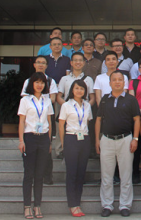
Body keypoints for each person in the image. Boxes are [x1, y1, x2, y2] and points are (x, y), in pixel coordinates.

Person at [96, 71, 141, 217]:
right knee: (106, 175)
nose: (117, 82)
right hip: (107, 139)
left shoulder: (131, 99)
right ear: (109, 83)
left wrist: (135, 139)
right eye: (114, 80)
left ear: (124, 82)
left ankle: (125, 205)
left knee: (126, 175)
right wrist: (97, 140)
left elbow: (137, 120)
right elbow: (98, 120)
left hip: (125, 139)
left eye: (120, 80)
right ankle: (107, 205)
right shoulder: (104, 99)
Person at [18, 72, 54, 220]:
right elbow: (21, 121)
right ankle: (27, 206)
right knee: (29, 174)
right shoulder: (25, 100)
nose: (40, 85)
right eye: (37, 82)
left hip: (43, 138)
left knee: (40, 174)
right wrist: (21, 141)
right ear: (31, 84)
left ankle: (37, 205)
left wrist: (49, 141)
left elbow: (49, 122)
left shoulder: (47, 100)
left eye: (42, 82)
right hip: (30, 137)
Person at [58, 79, 94, 217]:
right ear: (72, 90)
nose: (79, 91)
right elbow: (61, 125)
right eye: (77, 88)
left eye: (82, 89)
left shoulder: (87, 105)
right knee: (72, 173)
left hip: (84, 139)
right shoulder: (66, 105)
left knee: (81, 173)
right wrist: (63, 143)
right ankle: (72, 204)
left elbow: (87, 123)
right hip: (71, 138)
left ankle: (77, 203)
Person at [20, 55, 58, 185]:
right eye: (38, 62)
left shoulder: (50, 81)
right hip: (31, 120)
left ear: (47, 66)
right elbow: (25, 97)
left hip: (45, 117)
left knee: (46, 151)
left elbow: (52, 98)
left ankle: (47, 176)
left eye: (43, 63)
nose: (41, 65)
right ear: (34, 65)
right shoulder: (28, 81)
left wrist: (42, 101)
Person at [56, 52, 95, 160]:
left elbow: (92, 97)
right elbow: (58, 96)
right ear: (71, 63)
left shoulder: (89, 79)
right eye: (75, 60)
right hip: (68, 113)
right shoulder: (64, 79)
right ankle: (61, 150)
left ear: (84, 63)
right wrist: (68, 107)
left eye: (80, 60)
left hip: (83, 113)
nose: (78, 62)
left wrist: (85, 107)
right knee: (63, 130)